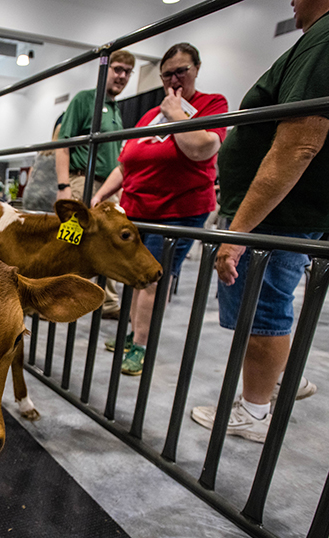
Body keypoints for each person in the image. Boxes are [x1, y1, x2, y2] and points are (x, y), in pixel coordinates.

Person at [191, 0, 329, 443]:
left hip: (278, 213)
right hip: (288, 211)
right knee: (271, 302)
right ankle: (280, 377)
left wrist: (237, 232)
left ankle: (255, 411)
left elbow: (297, 146)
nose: (290, 1)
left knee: (263, 310)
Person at [93, 43, 228, 377]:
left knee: (152, 280)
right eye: (167, 73)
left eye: (181, 70)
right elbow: (126, 164)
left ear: (196, 68)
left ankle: (140, 343)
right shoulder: (148, 115)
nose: (174, 79)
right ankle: (131, 334)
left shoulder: (211, 104)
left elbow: (201, 149)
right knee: (133, 277)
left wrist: (176, 114)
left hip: (177, 210)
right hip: (137, 209)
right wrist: (100, 196)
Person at [56, 49, 136, 317]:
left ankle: (109, 301)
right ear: (105, 70)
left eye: (127, 71)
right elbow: (63, 144)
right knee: (71, 237)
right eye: (117, 69)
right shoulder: (84, 100)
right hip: (82, 182)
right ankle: (58, 293)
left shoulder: (115, 109)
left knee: (109, 242)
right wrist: (64, 187)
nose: (122, 76)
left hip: (108, 189)